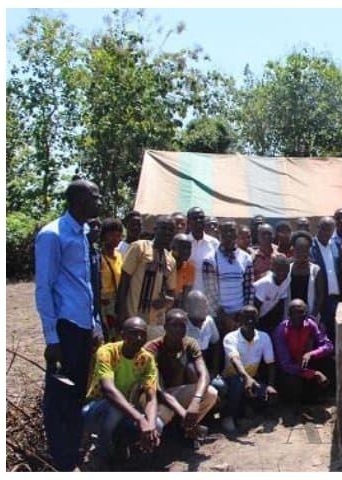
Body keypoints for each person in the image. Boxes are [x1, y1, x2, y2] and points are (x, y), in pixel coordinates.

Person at [34, 179, 102, 471]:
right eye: (94, 196)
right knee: (59, 396)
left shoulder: (84, 233)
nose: (99, 202)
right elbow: (44, 288)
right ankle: (61, 462)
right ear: (77, 200)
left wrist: (94, 323)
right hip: (65, 329)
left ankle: (73, 453)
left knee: (76, 394)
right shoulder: (52, 235)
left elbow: (83, 284)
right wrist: (52, 339)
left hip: (83, 326)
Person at [81, 317, 160, 467]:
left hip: (126, 411)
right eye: (134, 333)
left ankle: (130, 456)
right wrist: (140, 419)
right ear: (122, 334)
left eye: (142, 334)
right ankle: (101, 452)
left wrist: (150, 425)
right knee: (116, 408)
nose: (139, 338)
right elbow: (109, 390)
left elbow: (151, 398)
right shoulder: (107, 352)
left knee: (158, 424)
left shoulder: (147, 359)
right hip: (95, 410)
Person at [144, 309, 218, 448]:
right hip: (156, 396)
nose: (178, 329)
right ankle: (153, 447)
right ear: (165, 327)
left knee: (211, 393)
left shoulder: (190, 343)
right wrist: (183, 412)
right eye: (174, 325)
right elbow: (158, 389)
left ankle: (186, 430)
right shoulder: (152, 349)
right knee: (162, 416)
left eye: (182, 326)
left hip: (176, 391)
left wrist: (196, 401)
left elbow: (204, 374)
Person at [214, 306, 277, 433]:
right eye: (246, 317)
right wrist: (247, 378)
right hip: (231, 378)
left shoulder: (264, 337)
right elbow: (235, 360)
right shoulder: (230, 338)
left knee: (269, 395)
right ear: (239, 319)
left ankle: (246, 407)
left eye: (253, 317)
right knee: (238, 382)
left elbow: (270, 363)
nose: (250, 321)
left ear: (258, 319)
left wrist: (271, 385)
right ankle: (228, 417)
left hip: (251, 379)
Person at [116, 216, 177, 341]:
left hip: (156, 324)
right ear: (155, 229)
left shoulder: (171, 260)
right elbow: (124, 280)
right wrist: (121, 312)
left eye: (170, 230)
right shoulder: (139, 247)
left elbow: (171, 293)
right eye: (164, 228)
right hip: (133, 318)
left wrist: (165, 301)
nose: (167, 233)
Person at [272, 299, 334, 403]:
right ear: (289, 314)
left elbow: (328, 346)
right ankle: (296, 404)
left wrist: (311, 354)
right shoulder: (281, 330)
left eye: (301, 312)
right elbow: (286, 365)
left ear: (306, 313)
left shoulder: (310, 324)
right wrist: (313, 373)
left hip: (304, 362)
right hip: (289, 369)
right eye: (294, 313)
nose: (297, 316)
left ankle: (323, 396)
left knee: (329, 362)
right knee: (292, 381)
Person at [202, 219, 255, 337]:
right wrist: (225, 319)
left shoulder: (246, 258)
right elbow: (210, 294)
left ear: (237, 233)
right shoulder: (210, 259)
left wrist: (244, 315)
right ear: (219, 233)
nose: (229, 234)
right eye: (225, 231)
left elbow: (249, 289)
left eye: (232, 231)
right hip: (219, 317)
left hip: (240, 316)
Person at [310, 217, 342, 341]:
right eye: (323, 229)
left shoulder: (336, 245)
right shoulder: (310, 247)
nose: (326, 232)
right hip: (320, 299)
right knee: (320, 335)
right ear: (318, 228)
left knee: (335, 334)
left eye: (330, 229)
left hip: (336, 299)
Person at [289, 231, 325, 322]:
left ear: (309, 250)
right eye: (298, 250)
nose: (301, 253)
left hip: (310, 316)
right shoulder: (288, 269)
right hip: (290, 317)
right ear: (293, 250)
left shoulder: (316, 270)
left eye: (304, 250)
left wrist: (313, 316)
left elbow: (320, 295)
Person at [185, 290, 221, 377]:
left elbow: (216, 344)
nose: (205, 310)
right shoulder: (182, 325)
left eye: (206, 307)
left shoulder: (209, 321)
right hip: (186, 364)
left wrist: (214, 371)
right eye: (200, 307)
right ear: (188, 308)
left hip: (203, 362)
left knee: (219, 384)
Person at [253, 254, 291, 334]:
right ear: (273, 269)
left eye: (285, 271)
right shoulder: (265, 283)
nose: (282, 274)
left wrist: (280, 324)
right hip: (258, 316)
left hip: (270, 314)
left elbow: (281, 302)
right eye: (279, 270)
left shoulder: (287, 279)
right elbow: (255, 307)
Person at [100, 218, 124, 341]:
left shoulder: (119, 256)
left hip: (117, 301)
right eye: (112, 235)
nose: (116, 238)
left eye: (119, 235)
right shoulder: (99, 257)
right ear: (104, 235)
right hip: (103, 303)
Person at [186, 207, 219, 293]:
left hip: (209, 296)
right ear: (188, 222)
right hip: (186, 296)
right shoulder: (184, 242)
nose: (198, 220)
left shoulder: (214, 243)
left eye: (201, 218)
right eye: (195, 218)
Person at [171, 233, 194, 309]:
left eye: (189, 248)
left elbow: (185, 297)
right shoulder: (164, 262)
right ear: (173, 248)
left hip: (176, 306)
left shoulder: (190, 267)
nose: (186, 251)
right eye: (183, 247)